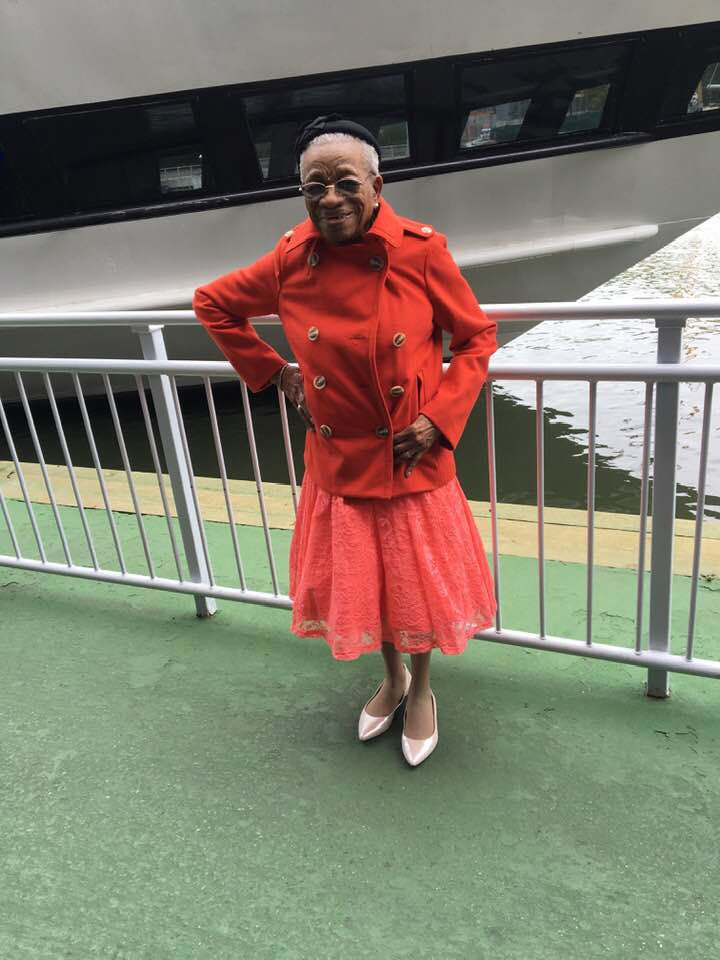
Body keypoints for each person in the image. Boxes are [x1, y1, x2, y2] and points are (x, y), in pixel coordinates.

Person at [193, 114, 498, 767]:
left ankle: (423, 690)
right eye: (314, 187)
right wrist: (275, 372)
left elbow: (476, 338)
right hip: (340, 461)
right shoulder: (290, 259)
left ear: (376, 183)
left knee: (413, 586)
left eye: (344, 183)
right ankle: (391, 679)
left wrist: (440, 418)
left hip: (411, 456)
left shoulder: (420, 250)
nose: (330, 199)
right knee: (373, 588)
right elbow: (212, 303)